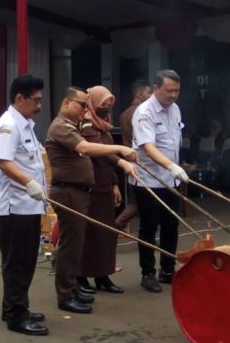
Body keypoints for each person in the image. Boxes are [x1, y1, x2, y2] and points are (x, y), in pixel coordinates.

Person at [47, 87, 137, 314]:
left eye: (88, 105)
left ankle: (74, 287)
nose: (85, 110)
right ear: (67, 102)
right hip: (68, 192)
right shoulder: (60, 126)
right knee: (70, 245)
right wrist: (120, 148)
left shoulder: (72, 125)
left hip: (78, 192)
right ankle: (65, 294)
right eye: (82, 105)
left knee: (77, 243)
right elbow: (85, 148)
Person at [0, 75, 49, 336]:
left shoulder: (24, 124)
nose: (39, 106)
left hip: (28, 205)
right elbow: (3, 161)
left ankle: (15, 307)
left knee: (25, 261)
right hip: (15, 208)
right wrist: (29, 183)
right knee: (17, 262)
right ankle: (16, 315)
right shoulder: (8, 125)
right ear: (19, 99)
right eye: (35, 100)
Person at [131, 70, 190, 293]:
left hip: (170, 180)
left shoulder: (175, 109)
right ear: (156, 89)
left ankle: (167, 269)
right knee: (148, 227)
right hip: (148, 179)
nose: (173, 95)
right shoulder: (144, 112)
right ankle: (148, 273)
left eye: (176, 91)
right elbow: (148, 146)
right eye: (168, 91)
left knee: (171, 225)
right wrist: (172, 166)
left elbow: (174, 141)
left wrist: (177, 167)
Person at [77, 85, 135, 296]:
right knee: (90, 233)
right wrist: (122, 160)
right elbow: (102, 153)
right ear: (93, 103)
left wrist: (114, 184)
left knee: (106, 234)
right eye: (103, 104)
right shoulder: (86, 124)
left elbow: (107, 162)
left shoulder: (104, 125)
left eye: (110, 103)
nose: (107, 107)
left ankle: (103, 275)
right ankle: (81, 275)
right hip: (89, 186)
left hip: (104, 185)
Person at [115, 80, 152, 230]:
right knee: (136, 202)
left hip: (130, 159)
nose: (151, 96)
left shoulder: (125, 113)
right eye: (148, 92)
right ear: (139, 94)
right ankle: (116, 226)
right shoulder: (140, 113)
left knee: (136, 200)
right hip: (139, 161)